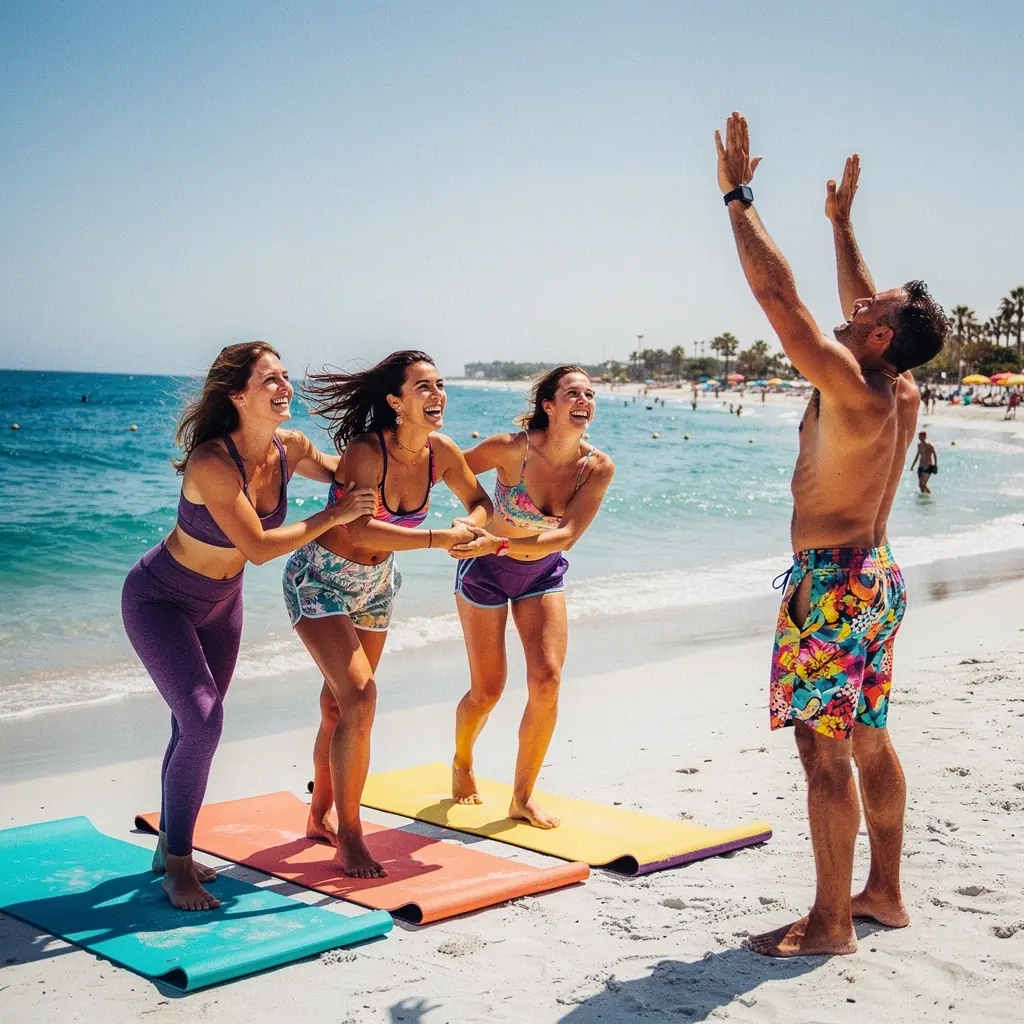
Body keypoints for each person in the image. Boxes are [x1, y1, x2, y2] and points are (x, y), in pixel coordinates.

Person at [715, 113, 946, 957]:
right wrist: (842, 226)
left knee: (824, 753)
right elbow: (871, 307)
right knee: (872, 737)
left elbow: (783, 303)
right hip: (877, 576)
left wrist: (738, 199)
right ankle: (882, 892)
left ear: (880, 337)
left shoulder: (854, 386)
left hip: (834, 584)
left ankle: (830, 923)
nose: (857, 302)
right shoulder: (901, 390)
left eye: (870, 309)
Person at [122, 342, 376, 911]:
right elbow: (259, 547)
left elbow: (348, 474)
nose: (284, 387)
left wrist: (399, 469)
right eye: (270, 380)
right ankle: (179, 868)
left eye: (286, 377)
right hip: (159, 600)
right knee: (203, 722)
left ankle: (170, 847)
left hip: (221, 605)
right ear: (237, 395)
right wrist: (333, 515)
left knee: (191, 727)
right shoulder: (212, 462)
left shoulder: (291, 448)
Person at [285, 351, 492, 878]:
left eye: (441, 385)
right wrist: (437, 538)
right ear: (396, 402)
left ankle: (318, 814)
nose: (437, 394)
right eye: (423, 387)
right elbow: (360, 531)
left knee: (339, 707)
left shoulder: (440, 452)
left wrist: (469, 528)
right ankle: (350, 836)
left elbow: (479, 498)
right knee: (360, 698)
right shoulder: (365, 453)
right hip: (320, 581)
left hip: (376, 588)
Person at [449, 366, 615, 827]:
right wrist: (473, 512)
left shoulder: (596, 467)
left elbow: (565, 537)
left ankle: (522, 796)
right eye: (572, 393)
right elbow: (446, 466)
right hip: (482, 570)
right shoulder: (510, 449)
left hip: (540, 573)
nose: (584, 400)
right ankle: (462, 760)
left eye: (590, 393)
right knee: (487, 691)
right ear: (549, 405)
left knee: (547, 680)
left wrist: (496, 541)